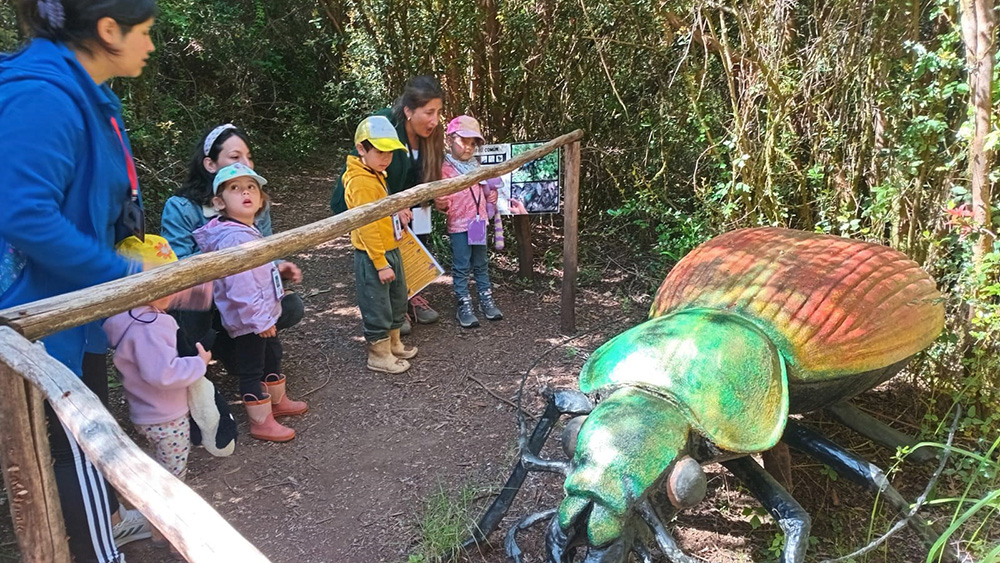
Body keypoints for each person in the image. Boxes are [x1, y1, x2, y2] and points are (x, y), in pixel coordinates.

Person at [0, 1, 158, 561]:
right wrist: (127, 273)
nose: (152, 44)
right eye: (145, 32)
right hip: (32, 314)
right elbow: (24, 215)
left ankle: (104, 524)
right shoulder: (42, 95)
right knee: (78, 442)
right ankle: (98, 550)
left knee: (89, 428)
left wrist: (129, 251)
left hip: (71, 306)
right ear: (108, 31)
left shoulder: (84, 95)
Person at [103, 236, 212, 554]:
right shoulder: (151, 325)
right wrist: (197, 364)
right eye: (163, 282)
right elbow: (162, 373)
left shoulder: (123, 319)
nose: (173, 290)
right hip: (167, 416)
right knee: (172, 474)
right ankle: (165, 528)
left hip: (144, 412)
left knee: (160, 464)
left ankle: (159, 522)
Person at [160, 123, 304, 355]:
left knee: (291, 306)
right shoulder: (181, 207)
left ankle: (235, 346)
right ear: (210, 164)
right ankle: (195, 354)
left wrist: (278, 267)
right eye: (235, 156)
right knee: (193, 306)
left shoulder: (256, 204)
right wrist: (229, 248)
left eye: (248, 157)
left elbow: (265, 252)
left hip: (244, 298)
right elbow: (177, 268)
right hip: (202, 298)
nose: (245, 164)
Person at [192, 163, 306, 442]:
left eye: (251, 187)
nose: (245, 192)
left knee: (271, 356)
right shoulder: (232, 238)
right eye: (235, 188)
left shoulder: (246, 230)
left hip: (263, 313)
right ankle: (260, 421)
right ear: (219, 202)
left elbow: (256, 274)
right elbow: (239, 286)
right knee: (252, 367)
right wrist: (259, 321)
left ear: (260, 198)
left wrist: (278, 272)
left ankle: (277, 403)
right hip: (249, 318)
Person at [331, 75, 445, 334]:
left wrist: (436, 196)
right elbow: (363, 173)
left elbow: (423, 176)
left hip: (409, 204)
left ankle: (411, 293)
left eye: (438, 112)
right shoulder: (383, 126)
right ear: (408, 110)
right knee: (384, 247)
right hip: (375, 203)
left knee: (416, 239)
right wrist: (392, 204)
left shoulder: (431, 136)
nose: (434, 120)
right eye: (428, 112)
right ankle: (394, 309)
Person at [343, 116, 419, 374]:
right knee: (377, 304)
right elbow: (366, 224)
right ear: (362, 148)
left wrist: (396, 211)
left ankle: (394, 344)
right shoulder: (360, 181)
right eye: (379, 151)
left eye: (389, 152)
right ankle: (379, 354)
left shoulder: (375, 173)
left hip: (390, 248)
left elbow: (381, 208)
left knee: (397, 299)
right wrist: (380, 262)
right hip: (373, 254)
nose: (386, 158)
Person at [435, 116, 504, 328]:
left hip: (477, 223)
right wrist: (442, 201)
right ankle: (463, 302)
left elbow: (485, 190)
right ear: (449, 140)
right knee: (462, 264)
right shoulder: (445, 169)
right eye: (464, 141)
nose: (468, 147)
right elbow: (441, 202)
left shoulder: (477, 167)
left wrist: (490, 197)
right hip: (458, 225)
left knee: (481, 262)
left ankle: (485, 297)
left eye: (473, 143)